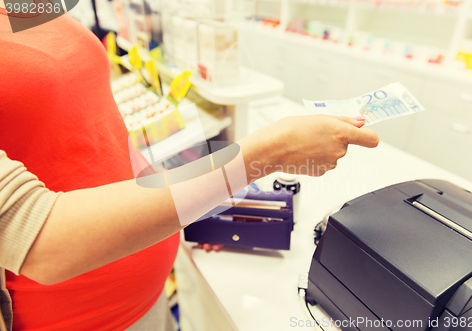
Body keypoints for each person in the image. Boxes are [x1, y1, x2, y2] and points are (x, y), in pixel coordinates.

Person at [0, 5, 379, 331]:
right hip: (82, 319)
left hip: (150, 295)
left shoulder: (25, 3)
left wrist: (200, 200)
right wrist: (267, 153)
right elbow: (39, 239)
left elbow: (78, 112)